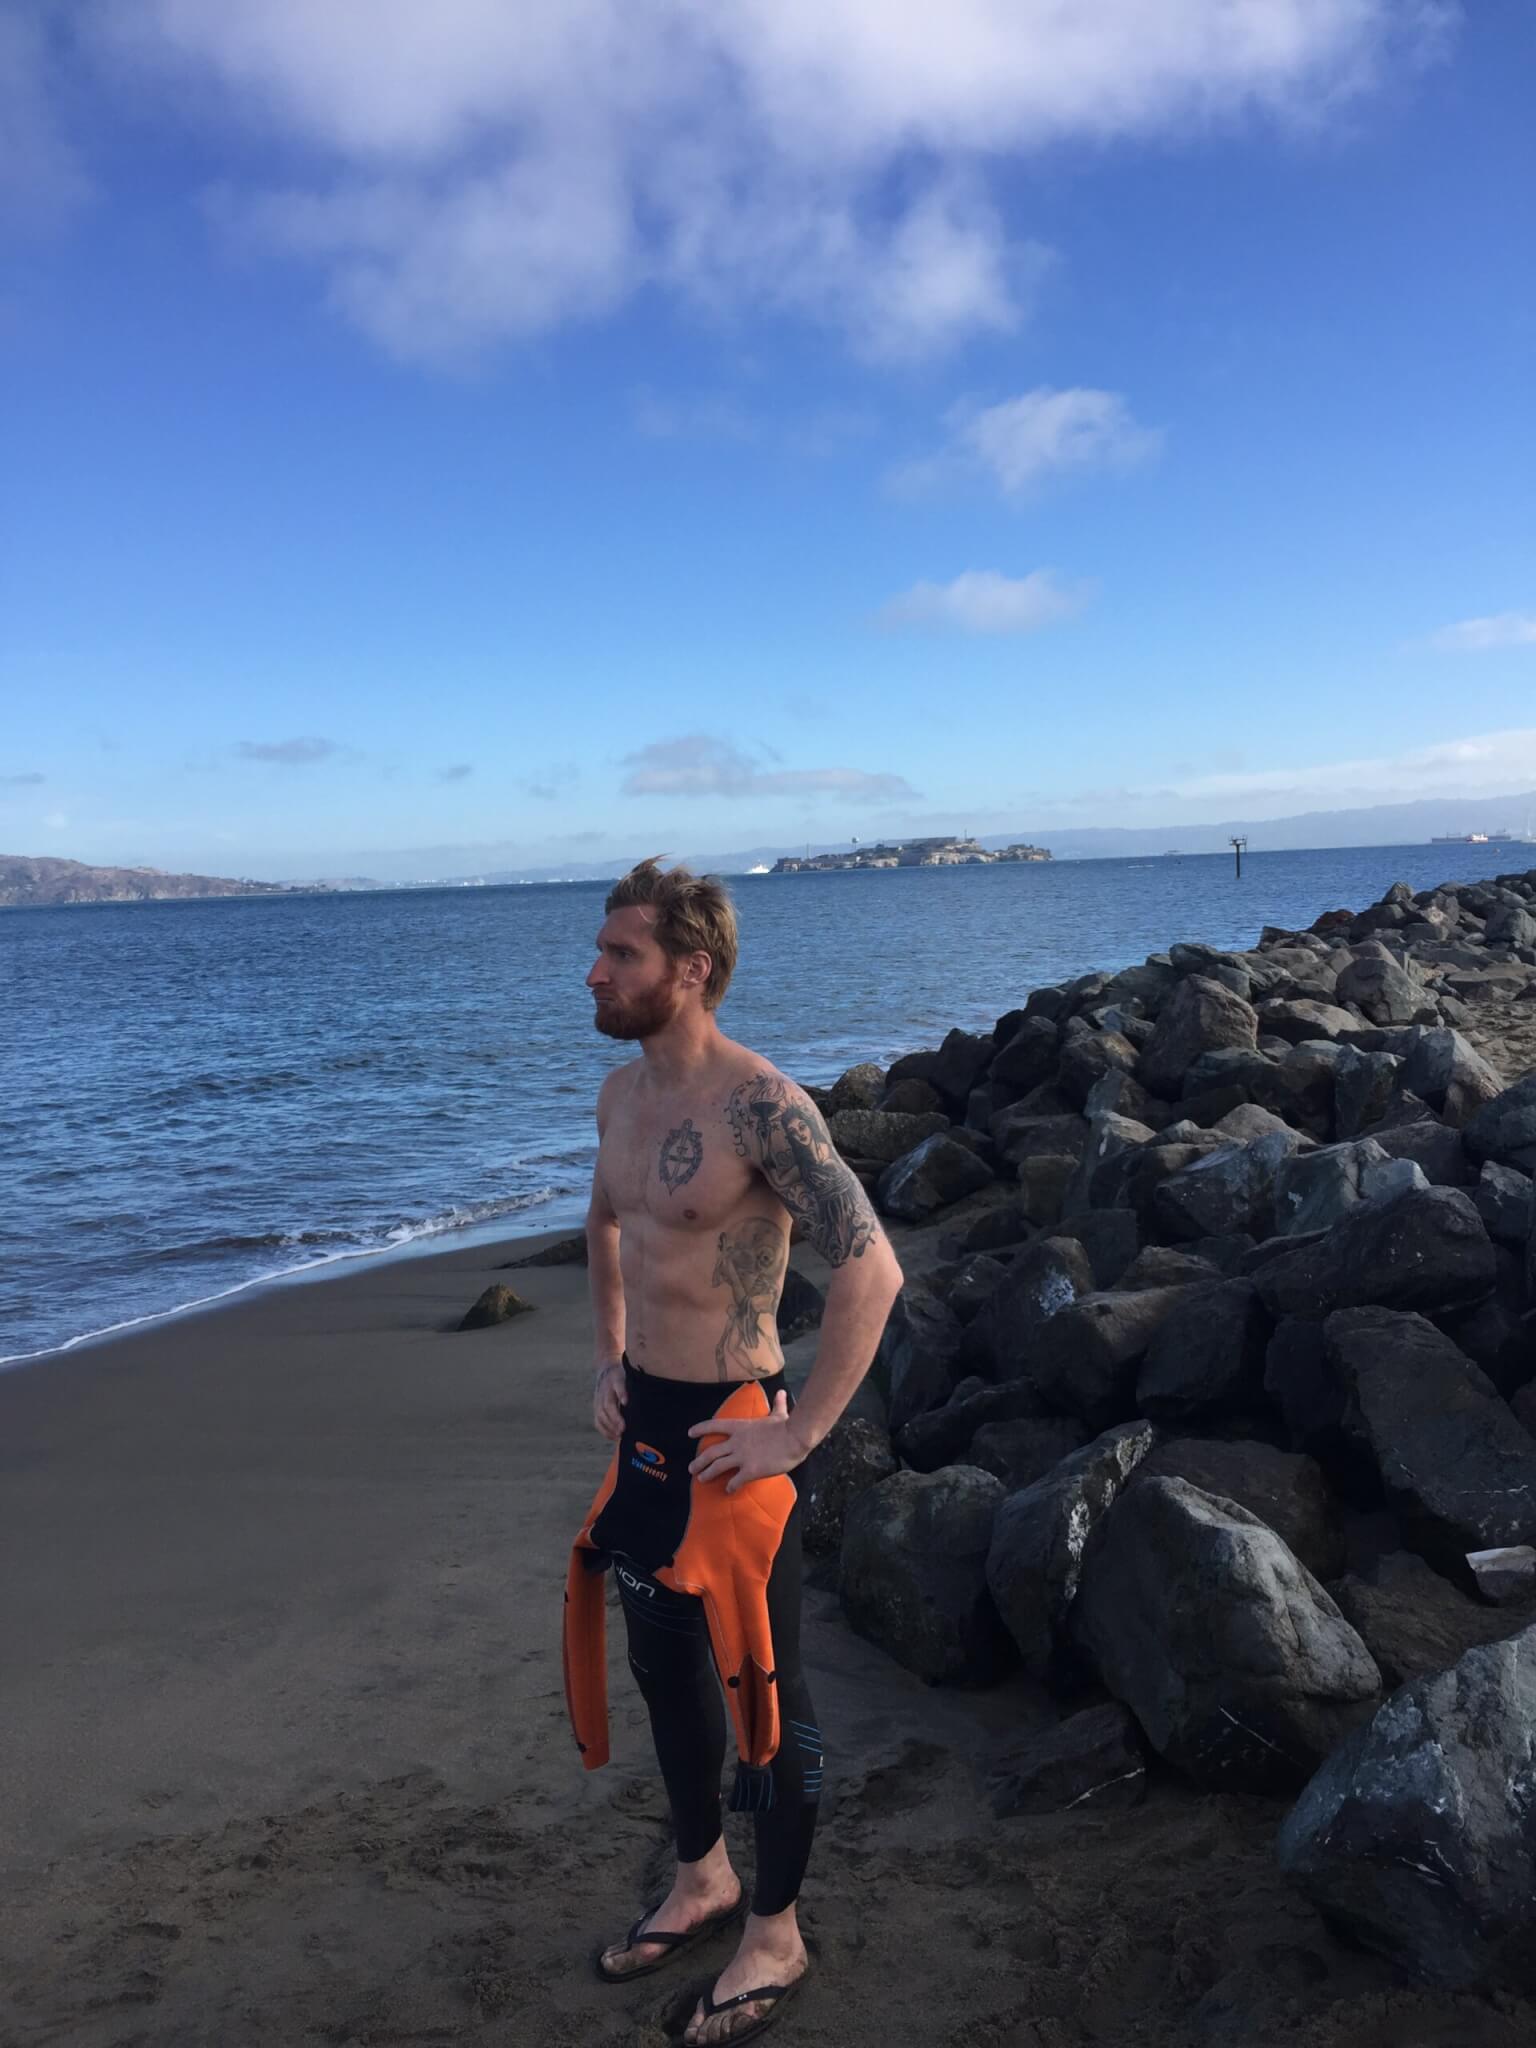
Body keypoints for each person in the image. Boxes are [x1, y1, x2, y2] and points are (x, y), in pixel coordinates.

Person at [562, 856, 903, 2045]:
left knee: (768, 1692)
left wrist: (799, 1428)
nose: (596, 969)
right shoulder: (616, 1094)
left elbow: (873, 1266)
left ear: (690, 969)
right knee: (663, 1663)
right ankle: (702, 1872)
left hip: (731, 1436)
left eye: (622, 953)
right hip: (646, 1431)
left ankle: (778, 1930)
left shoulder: (763, 1104)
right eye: (602, 949)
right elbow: (606, 1219)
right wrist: (606, 1357)